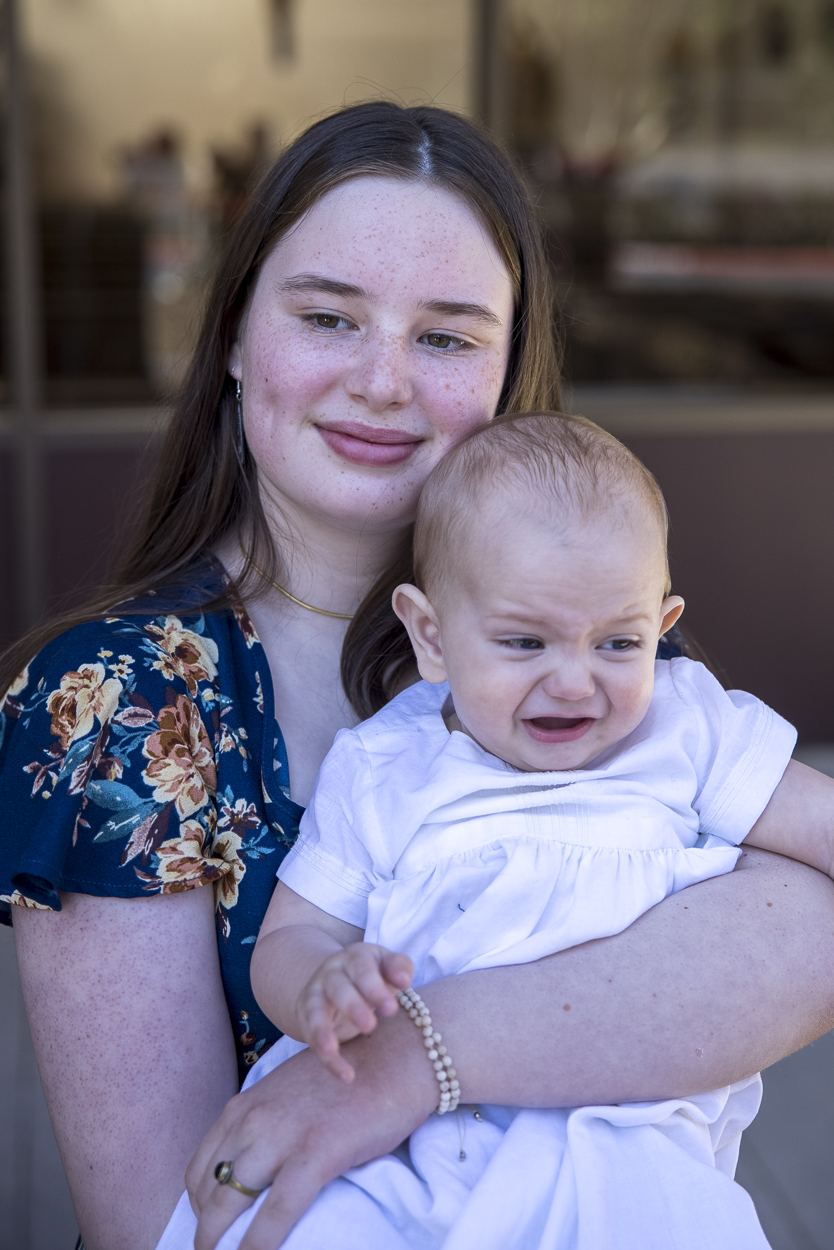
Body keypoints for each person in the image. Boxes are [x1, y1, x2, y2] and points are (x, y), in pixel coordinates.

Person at [0, 103, 832, 1250]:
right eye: (329, 316)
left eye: (446, 336)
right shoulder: (118, 704)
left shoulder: (582, 651)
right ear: (237, 336)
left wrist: (409, 1064)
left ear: (506, 366)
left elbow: (806, 935)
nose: (384, 380)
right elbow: (182, 1210)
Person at [158, 412, 834, 1250]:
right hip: (395, 1146)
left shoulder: (686, 728)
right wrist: (321, 984)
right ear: (431, 633)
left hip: (626, 1134)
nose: (574, 681)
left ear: (663, 626)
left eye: (619, 642)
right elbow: (294, 934)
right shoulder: (383, 768)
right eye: (524, 641)